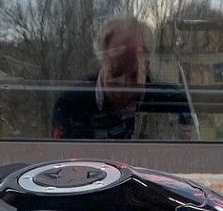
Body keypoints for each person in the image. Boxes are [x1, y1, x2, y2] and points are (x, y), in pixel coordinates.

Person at [51, 16, 194, 141]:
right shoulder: (70, 103)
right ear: (101, 62)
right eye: (116, 72)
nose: (124, 86)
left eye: (133, 74)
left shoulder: (173, 101)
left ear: (147, 65)